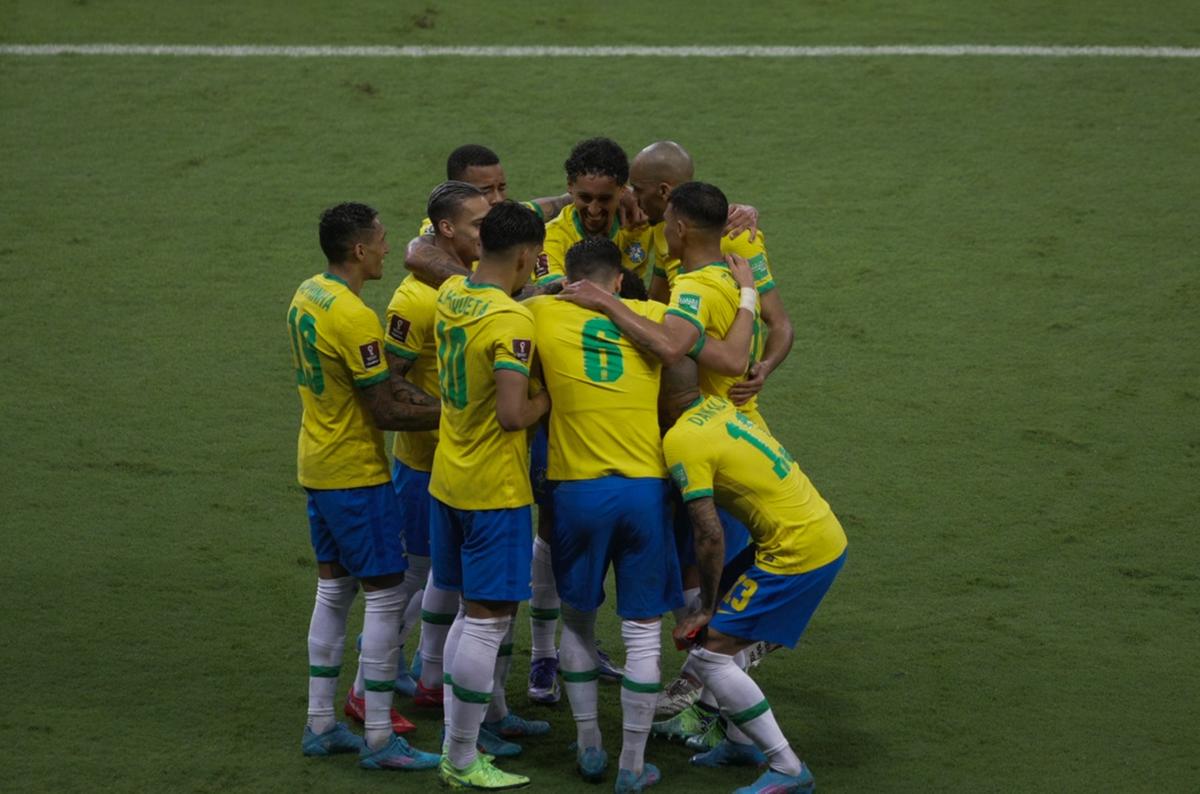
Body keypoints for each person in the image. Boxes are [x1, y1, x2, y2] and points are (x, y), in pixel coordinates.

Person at [526, 238, 684, 791]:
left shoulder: (540, 311)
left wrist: (547, 291)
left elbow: (509, 302)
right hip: (644, 488)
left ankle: (590, 745)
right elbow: (676, 349)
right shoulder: (650, 312)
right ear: (618, 280)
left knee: (577, 620)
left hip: (577, 493)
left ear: (569, 277)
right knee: (642, 634)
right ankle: (632, 766)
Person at [290, 202, 443, 771]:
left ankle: (321, 723)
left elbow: (380, 388)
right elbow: (384, 409)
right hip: (356, 474)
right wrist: (458, 417)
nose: (387, 248)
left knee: (333, 591)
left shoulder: (308, 293)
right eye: (380, 241)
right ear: (358, 249)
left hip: (316, 464)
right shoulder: (353, 317)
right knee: (384, 596)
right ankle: (380, 736)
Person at [658, 355, 847, 794]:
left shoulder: (683, 439)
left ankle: (786, 766)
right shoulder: (718, 405)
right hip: (811, 529)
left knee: (710, 653)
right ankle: (742, 742)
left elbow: (708, 534)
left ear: (664, 397)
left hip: (797, 551)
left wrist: (704, 607)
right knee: (725, 626)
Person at [430, 201, 551, 790]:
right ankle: (460, 759)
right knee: (487, 622)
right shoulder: (512, 323)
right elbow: (511, 415)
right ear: (527, 257)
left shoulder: (451, 293)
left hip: (447, 477)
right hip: (492, 490)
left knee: (465, 614)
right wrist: (546, 402)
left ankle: (464, 738)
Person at [629, 141, 794, 431]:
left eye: (638, 190)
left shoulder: (738, 237)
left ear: (664, 191)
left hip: (727, 407)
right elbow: (656, 303)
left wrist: (764, 368)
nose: (633, 198)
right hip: (680, 401)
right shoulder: (662, 230)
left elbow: (779, 324)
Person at [536, 137, 655, 287]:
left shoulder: (643, 222)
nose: (593, 210)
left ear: (622, 191)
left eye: (604, 199)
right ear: (570, 186)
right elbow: (548, 291)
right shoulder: (551, 237)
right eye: (585, 198)